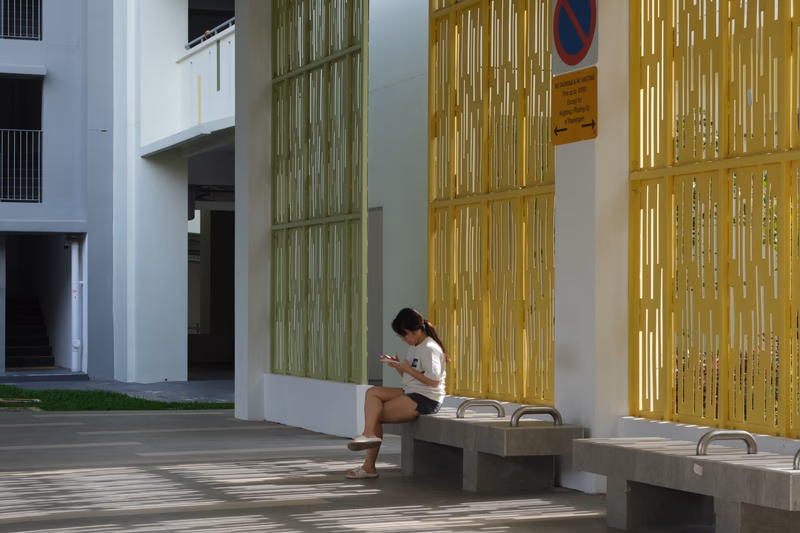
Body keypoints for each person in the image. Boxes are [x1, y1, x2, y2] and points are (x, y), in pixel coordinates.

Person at [345, 308, 450, 479]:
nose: (403, 339)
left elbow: (434, 382)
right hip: (413, 391)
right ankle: (369, 434)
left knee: (375, 415)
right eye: (400, 336)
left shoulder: (430, 348)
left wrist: (407, 369)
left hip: (426, 398)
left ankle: (369, 465)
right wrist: (399, 367)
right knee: (372, 392)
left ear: (417, 329)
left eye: (405, 334)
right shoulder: (415, 345)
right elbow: (412, 377)